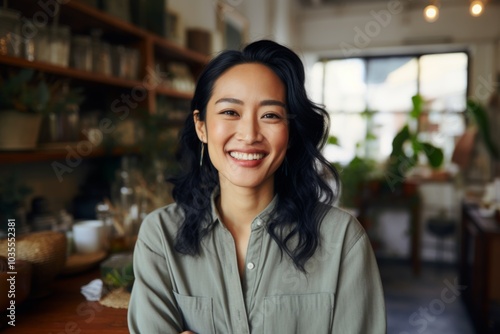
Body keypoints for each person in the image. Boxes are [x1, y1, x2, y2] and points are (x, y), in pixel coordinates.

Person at [128, 39, 386, 333]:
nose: (249, 134)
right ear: (202, 126)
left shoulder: (343, 240)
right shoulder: (160, 236)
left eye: (270, 116)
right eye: (230, 112)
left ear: (289, 133)